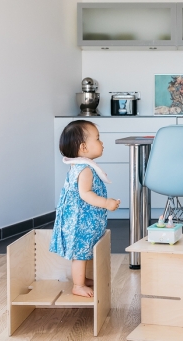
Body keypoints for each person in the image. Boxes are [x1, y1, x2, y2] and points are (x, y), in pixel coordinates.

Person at [50, 120, 120, 297]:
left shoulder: (79, 165)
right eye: (97, 138)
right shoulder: (85, 169)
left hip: (81, 219)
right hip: (79, 222)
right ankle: (78, 285)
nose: (101, 142)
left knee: (86, 249)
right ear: (84, 147)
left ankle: (83, 279)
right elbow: (85, 193)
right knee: (80, 254)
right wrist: (106, 203)